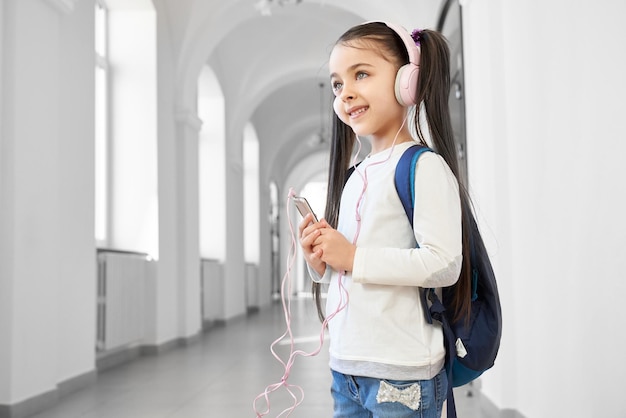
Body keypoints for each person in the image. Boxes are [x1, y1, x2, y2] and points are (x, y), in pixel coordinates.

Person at [298, 21, 475, 418]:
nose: (347, 93)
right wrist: (321, 265)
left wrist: (353, 257)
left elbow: (444, 263)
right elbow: (350, 269)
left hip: (402, 374)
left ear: (406, 82)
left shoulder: (422, 166)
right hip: (347, 368)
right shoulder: (354, 175)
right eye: (337, 84)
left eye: (361, 74)